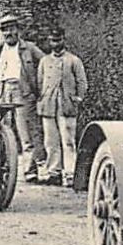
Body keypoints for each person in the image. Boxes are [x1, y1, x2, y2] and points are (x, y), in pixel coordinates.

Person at [0, 14, 47, 180]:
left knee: (26, 131)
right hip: (0, 92)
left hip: (22, 92)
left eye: (12, 29)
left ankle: (30, 170)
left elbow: (45, 64)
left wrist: (39, 85)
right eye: (5, 30)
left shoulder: (29, 48)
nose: (9, 33)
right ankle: (0, 167)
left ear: (18, 30)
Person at [36, 28, 88, 189]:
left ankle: (70, 174)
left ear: (64, 40)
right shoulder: (44, 61)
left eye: (58, 40)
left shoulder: (73, 60)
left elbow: (82, 82)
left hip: (66, 105)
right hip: (49, 105)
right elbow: (40, 82)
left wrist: (78, 99)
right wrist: (43, 97)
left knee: (68, 141)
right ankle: (54, 172)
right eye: (52, 40)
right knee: (50, 141)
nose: (55, 44)